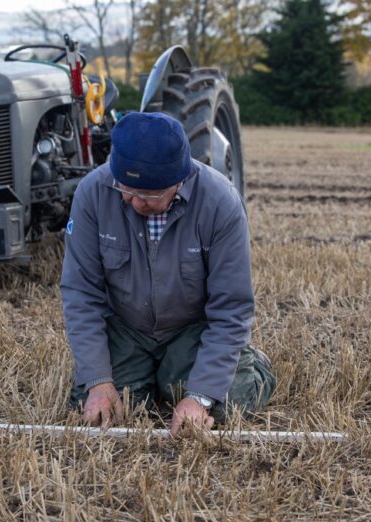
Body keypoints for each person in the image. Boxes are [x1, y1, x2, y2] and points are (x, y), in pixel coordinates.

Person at [60, 111, 276, 437]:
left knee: (224, 404)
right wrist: (98, 380)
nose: (132, 202)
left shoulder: (220, 202)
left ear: (178, 181)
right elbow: (81, 293)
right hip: (127, 328)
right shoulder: (93, 193)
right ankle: (153, 379)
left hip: (190, 330)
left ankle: (254, 368)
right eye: (125, 189)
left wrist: (199, 396)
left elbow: (231, 307)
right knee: (98, 407)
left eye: (146, 196)